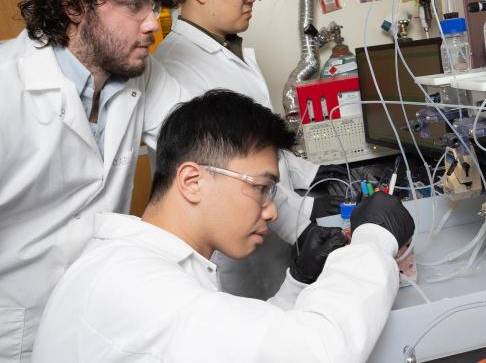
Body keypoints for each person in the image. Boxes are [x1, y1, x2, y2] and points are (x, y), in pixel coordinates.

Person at [32, 90, 415, 363]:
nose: (272, 212)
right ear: (192, 181)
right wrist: (374, 237)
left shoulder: (141, 265)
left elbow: (236, 345)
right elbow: (314, 352)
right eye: (261, 188)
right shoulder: (139, 288)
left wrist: (298, 282)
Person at [0, 0, 185, 361]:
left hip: (100, 314)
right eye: (133, 4)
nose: (152, 23)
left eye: (154, 4)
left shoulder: (142, 73)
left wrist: (305, 218)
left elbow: (212, 142)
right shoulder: (8, 84)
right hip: (15, 329)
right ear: (74, 5)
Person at [154, 0, 339, 298]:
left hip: (267, 224)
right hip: (236, 249)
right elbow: (230, 168)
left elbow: (261, 149)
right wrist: (305, 219)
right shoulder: (173, 68)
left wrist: (320, 174)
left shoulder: (230, 51)